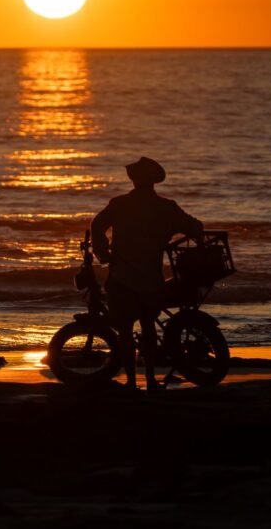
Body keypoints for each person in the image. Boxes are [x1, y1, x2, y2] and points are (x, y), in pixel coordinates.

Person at [91, 157, 203, 390]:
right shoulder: (167, 207)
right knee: (149, 328)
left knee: (124, 332)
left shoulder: (119, 203)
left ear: (133, 180)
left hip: (121, 277)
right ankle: (151, 380)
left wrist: (103, 254)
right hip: (152, 280)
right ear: (154, 182)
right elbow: (195, 227)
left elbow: (97, 225)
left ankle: (131, 381)